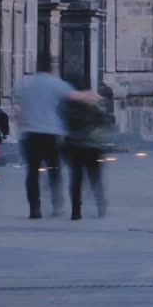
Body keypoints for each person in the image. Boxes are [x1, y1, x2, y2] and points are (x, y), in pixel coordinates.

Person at [16, 62, 99, 219]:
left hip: (30, 134)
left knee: (32, 173)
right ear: (51, 67)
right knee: (54, 170)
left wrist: (22, 125)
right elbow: (76, 96)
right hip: (50, 135)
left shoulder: (26, 85)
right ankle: (56, 204)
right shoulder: (56, 84)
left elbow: (20, 110)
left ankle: (34, 208)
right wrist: (92, 95)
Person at [62, 90, 112, 220]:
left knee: (76, 180)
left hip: (75, 145)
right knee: (95, 178)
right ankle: (100, 204)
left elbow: (64, 123)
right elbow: (105, 121)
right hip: (92, 146)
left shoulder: (69, 105)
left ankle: (76, 211)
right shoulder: (95, 102)